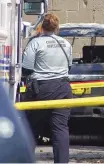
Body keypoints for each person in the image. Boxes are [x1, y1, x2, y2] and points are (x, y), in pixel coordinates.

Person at [22, 13, 73, 163]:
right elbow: (69, 66)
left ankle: (24, 159)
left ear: (40, 27)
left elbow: (26, 69)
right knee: (60, 129)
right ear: (56, 27)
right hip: (63, 88)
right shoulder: (66, 44)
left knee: (31, 127)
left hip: (41, 89)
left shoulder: (35, 43)